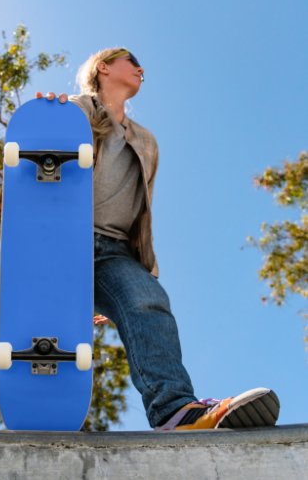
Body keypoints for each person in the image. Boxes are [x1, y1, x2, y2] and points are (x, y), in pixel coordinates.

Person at [36, 47, 280, 431]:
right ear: (103, 67)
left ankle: (175, 412)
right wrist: (46, 116)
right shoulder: (72, 111)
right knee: (52, 331)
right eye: (131, 62)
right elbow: (36, 157)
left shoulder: (146, 141)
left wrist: (131, 279)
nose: (140, 69)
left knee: (149, 300)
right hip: (63, 239)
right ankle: (42, 406)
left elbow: (140, 211)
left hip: (114, 251)